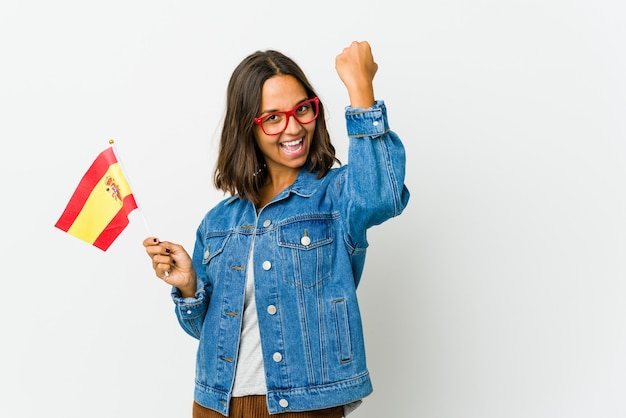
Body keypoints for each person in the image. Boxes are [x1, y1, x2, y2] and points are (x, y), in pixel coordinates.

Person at [143, 40, 410, 418]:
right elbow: (208, 332)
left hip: (304, 406)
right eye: (272, 117)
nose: (294, 126)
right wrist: (189, 287)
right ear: (247, 128)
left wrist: (360, 89)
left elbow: (382, 195)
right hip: (214, 405)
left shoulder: (335, 196)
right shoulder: (219, 223)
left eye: (303, 109)